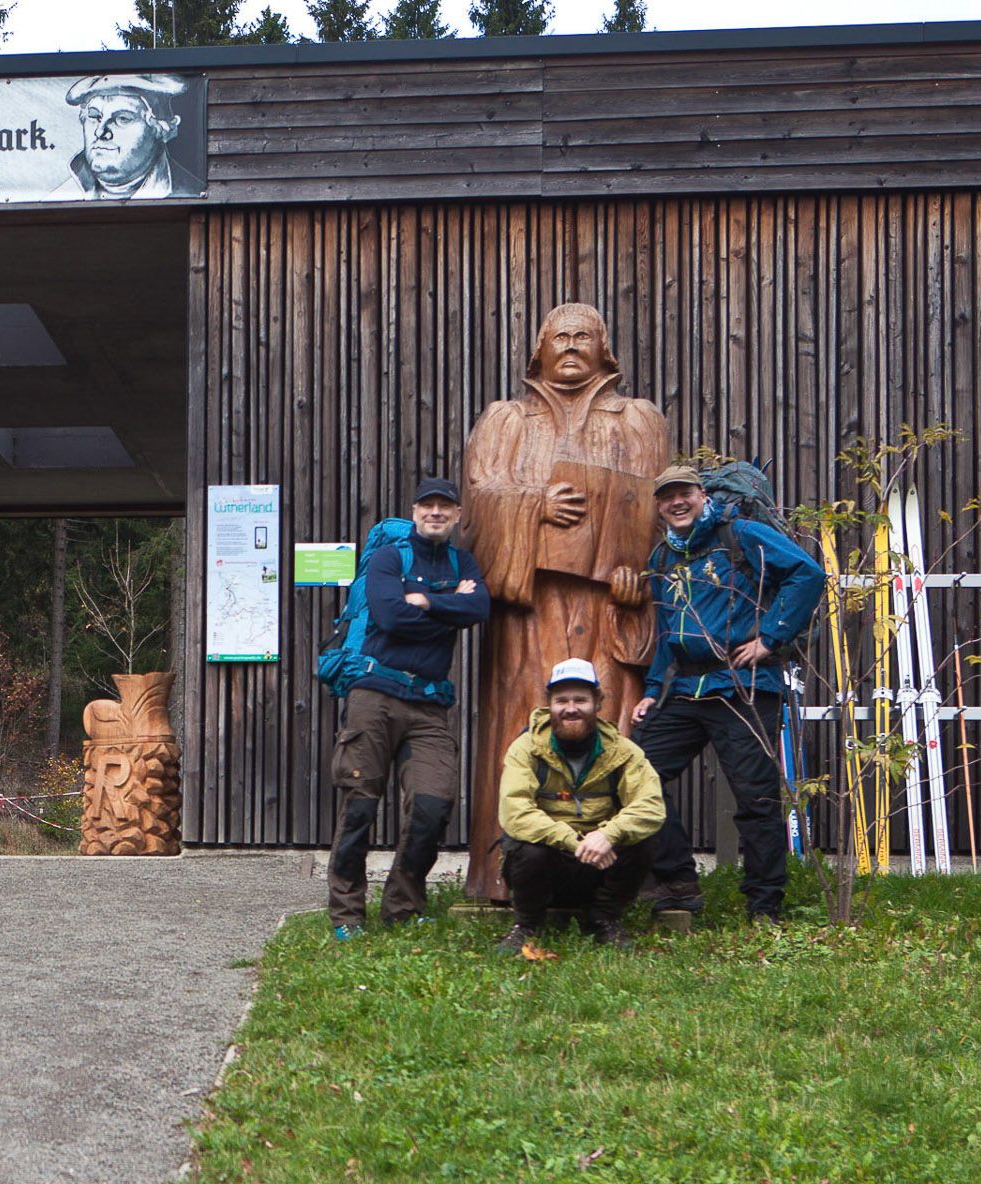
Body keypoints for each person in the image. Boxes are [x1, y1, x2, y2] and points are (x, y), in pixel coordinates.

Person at [459, 303, 669, 902]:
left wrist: (640, 571)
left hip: (610, 613)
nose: (572, 347)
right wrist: (533, 506)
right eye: (560, 337)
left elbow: (657, 508)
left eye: (584, 337)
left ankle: (616, 880)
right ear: (540, 350)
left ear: (605, 349)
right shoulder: (507, 419)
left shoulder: (638, 418)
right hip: (529, 612)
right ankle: (507, 875)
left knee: (612, 728)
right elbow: (478, 501)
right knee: (522, 728)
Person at [629, 464, 828, 921]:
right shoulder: (662, 558)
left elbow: (807, 574)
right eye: (667, 497)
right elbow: (666, 631)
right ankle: (678, 880)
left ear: (702, 495)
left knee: (756, 798)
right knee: (637, 774)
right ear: (659, 506)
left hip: (745, 687)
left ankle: (765, 905)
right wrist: (653, 689)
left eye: (685, 493)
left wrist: (771, 639)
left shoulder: (742, 534)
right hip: (685, 687)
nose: (677, 502)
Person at [325, 477, 490, 934]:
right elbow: (390, 616)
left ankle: (402, 907)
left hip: (429, 705)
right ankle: (347, 915)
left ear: (457, 515)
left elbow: (479, 608)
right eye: (427, 506)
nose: (436, 513)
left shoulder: (464, 560)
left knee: (432, 805)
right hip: (374, 696)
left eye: (445, 506)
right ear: (415, 511)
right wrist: (445, 609)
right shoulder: (388, 557)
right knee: (360, 806)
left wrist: (424, 601)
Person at [496, 659, 667, 953]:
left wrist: (609, 834)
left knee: (644, 838)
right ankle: (526, 925)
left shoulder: (623, 751)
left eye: (580, 700)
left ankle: (604, 919)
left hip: (600, 865)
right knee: (527, 846)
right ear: (549, 704)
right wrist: (572, 841)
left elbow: (651, 805)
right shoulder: (525, 748)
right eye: (561, 700)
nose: (571, 708)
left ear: (597, 703)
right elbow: (515, 812)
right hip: (547, 863)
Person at [51, 75, 203, 200]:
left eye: (122, 118)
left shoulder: (188, 192)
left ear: (159, 129)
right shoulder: (57, 199)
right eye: (94, 116)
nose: (100, 132)